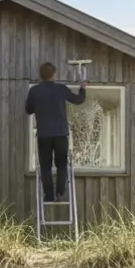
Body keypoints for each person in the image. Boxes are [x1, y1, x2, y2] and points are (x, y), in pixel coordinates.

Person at [25, 62, 87, 201]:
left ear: (40, 75)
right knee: (62, 164)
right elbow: (78, 100)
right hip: (60, 134)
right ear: (54, 75)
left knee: (45, 166)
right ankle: (60, 192)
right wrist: (82, 88)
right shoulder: (61, 89)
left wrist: (39, 106)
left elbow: (28, 110)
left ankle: (49, 195)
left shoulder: (34, 91)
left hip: (44, 134)